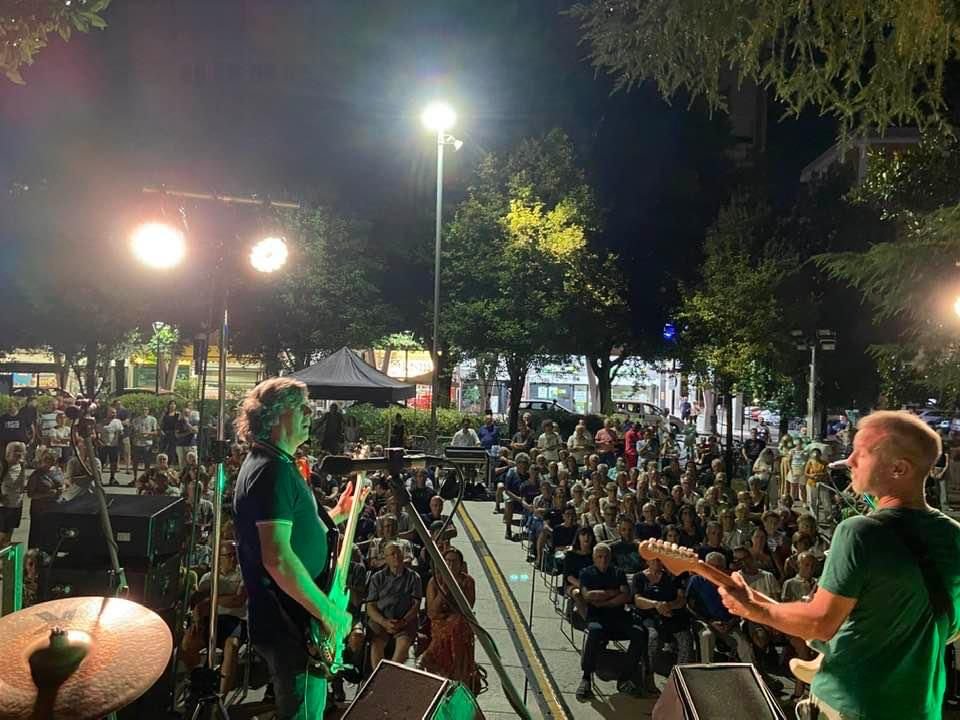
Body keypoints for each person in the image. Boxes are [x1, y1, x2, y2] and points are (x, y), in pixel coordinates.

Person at [719, 410, 960, 720]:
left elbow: (820, 624)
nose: (849, 461)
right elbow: (950, 628)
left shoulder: (860, 532)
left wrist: (754, 609)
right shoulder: (954, 535)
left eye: (862, 453)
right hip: (921, 708)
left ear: (899, 468)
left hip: (853, 704)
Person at [232, 377, 363, 719]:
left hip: (295, 620)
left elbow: (294, 529)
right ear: (275, 415)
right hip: (293, 623)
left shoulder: (276, 464)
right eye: (301, 407)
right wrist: (328, 612)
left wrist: (338, 513)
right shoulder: (271, 471)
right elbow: (277, 558)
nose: (309, 413)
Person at [572, 543, 649, 700]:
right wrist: (613, 593)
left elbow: (625, 595)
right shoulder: (586, 573)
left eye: (606, 556)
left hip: (618, 616)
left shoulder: (618, 573)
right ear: (594, 558)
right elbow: (588, 595)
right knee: (595, 632)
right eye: (599, 556)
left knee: (639, 633)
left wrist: (604, 601)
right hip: (597, 617)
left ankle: (625, 678)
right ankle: (586, 678)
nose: (603, 560)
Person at [419, 547, 477, 687]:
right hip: (439, 622)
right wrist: (444, 590)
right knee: (452, 628)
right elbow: (432, 613)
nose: (451, 565)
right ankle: (453, 671)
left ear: (461, 565)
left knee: (457, 624)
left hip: (460, 622)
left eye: (454, 562)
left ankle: (451, 667)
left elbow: (467, 607)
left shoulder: (468, 581)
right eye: (447, 561)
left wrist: (456, 587)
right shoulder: (434, 582)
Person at [366, 542, 423, 671]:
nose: (395, 556)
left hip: (405, 620)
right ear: (386, 558)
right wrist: (384, 622)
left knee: (403, 644)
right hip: (381, 619)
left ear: (403, 555)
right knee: (376, 642)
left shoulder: (414, 577)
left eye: (398, 553)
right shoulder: (377, 578)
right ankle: (378, 675)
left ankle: (389, 674)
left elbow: (416, 605)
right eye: (391, 554)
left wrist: (403, 622)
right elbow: (370, 606)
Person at [0, 441, 27, 547]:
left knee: (8, 536)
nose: (19, 453)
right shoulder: (3, 465)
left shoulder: (22, 465)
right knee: (2, 535)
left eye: (20, 451)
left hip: (16, 505)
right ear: (8, 453)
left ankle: (5, 555)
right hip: (3, 507)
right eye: (15, 451)